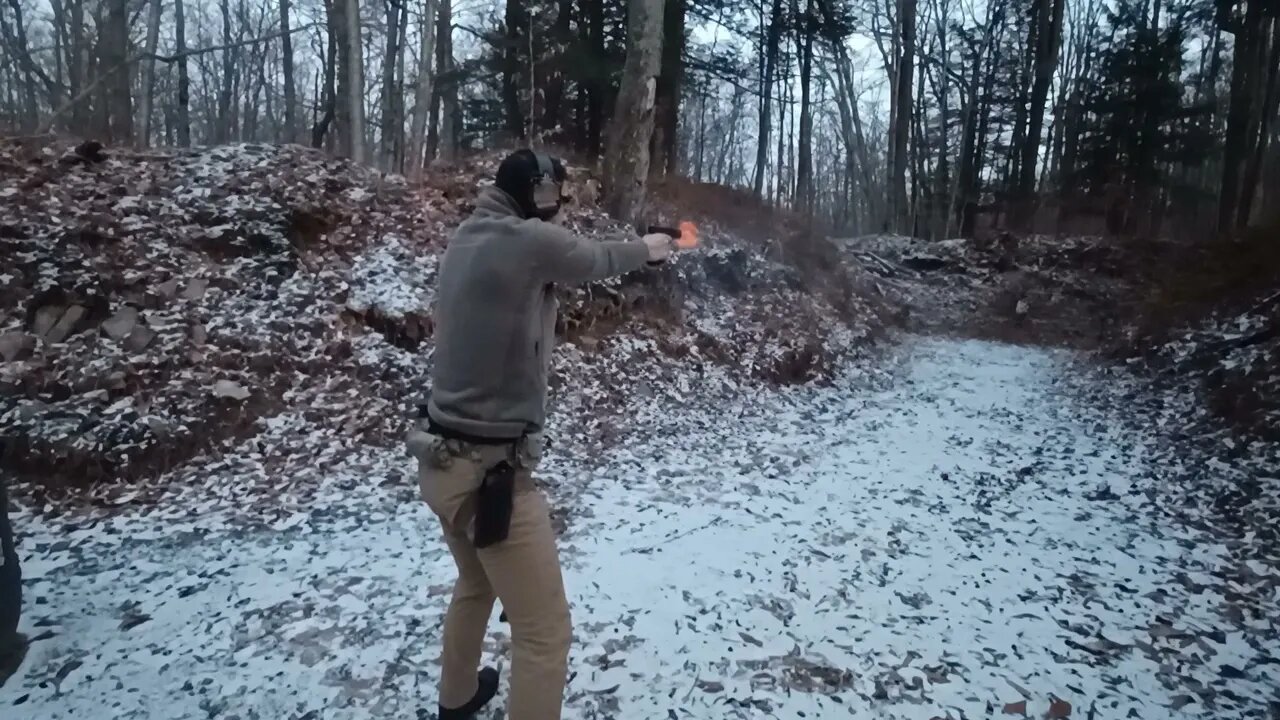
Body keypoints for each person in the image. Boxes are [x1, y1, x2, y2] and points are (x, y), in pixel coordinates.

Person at [407, 149, 676, 720]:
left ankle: (456, 697)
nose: (558, 205)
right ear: (536, 193)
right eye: (552, 194)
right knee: (545, 632)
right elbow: (597, 257)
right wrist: (649, 248)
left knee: (476, 583)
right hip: (487, 477)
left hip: (440, 459)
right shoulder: (527, 240)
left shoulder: (468, 235)